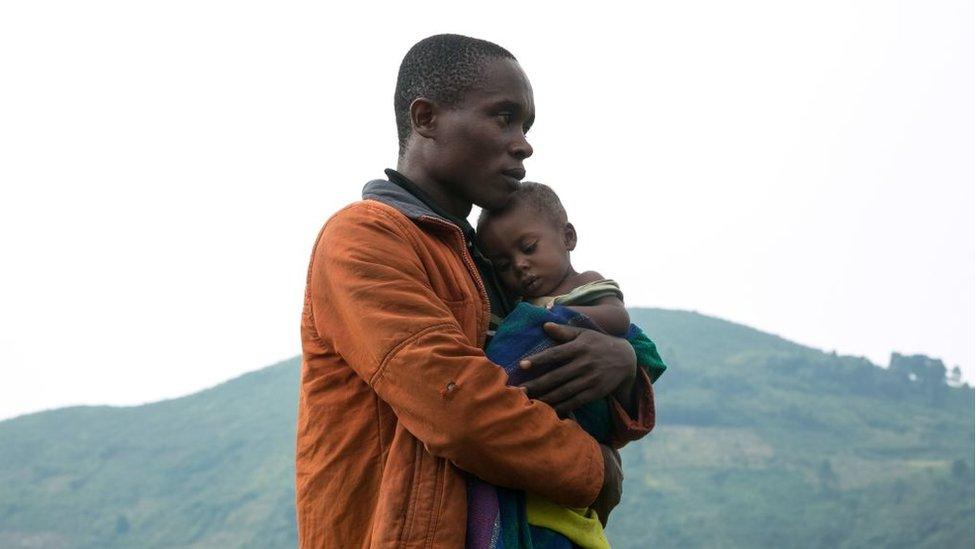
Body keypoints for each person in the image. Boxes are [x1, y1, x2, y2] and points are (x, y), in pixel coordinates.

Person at [296, 34, 657, 548]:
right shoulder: (363, 236)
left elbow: (560, 391)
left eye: (527, 126)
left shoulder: (491, 264)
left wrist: (622, 362)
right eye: (504, 117)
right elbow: (455, 404)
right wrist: (591, 468)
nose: (524, 143)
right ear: (426, 119)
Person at [475, 182, 667, 548]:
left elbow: (617, 319)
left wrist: (553, 317)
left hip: (583, 422)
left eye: (528, 248)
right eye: (503, 264)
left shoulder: (583, 285)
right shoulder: (515, 305)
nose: (519, 265)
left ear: (568, 237)